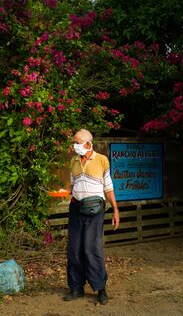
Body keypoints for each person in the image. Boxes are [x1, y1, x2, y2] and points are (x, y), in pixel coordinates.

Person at [63, 129, 120, 305]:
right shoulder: (73, 160)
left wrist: (115, 210)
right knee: (74, 248)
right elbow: (72, 185)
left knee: (91, 248)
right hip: (76, 208)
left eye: (77, 142)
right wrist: (62, 192)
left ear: (88, 144)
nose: (74, 145)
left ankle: (100, 288)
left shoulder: (102, 160)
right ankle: (76, 288)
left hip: (95, 210)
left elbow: (108, 187)